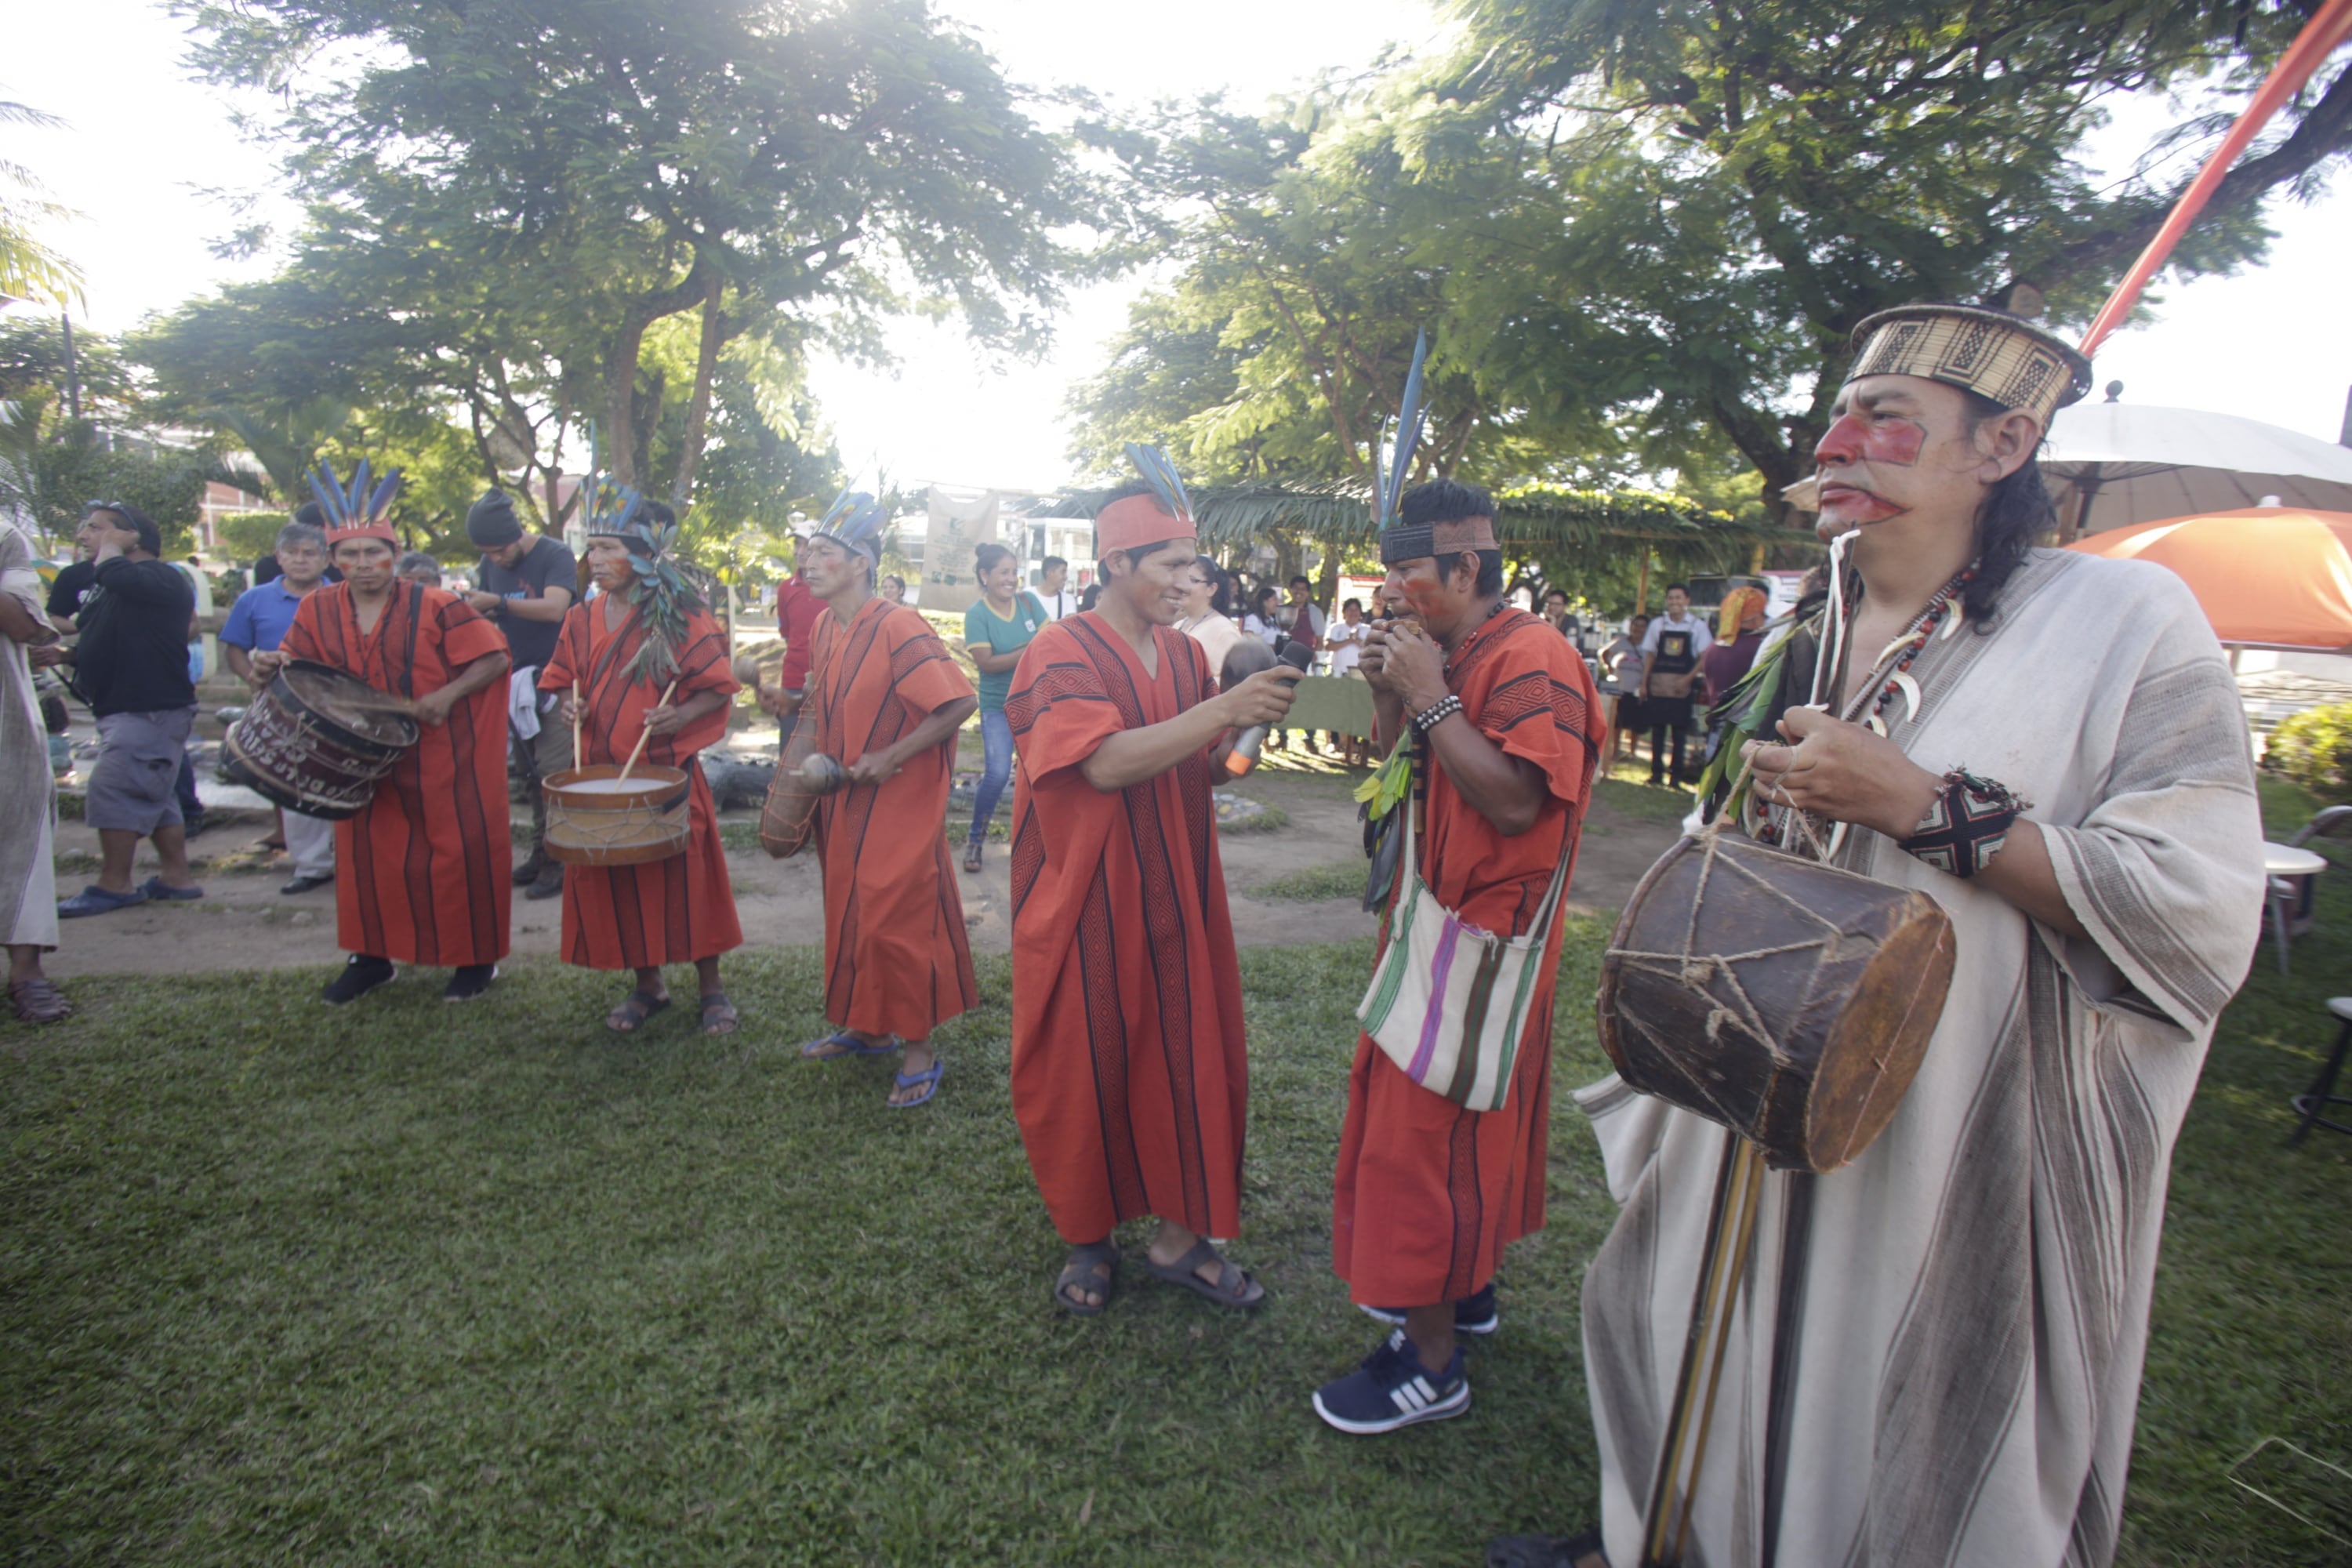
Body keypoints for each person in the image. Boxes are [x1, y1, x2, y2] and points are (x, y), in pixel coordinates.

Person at [1554, 304, 2265, 1568]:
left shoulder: (2128, 622)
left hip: (1952, 1135)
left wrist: (1923, 807)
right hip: (1757, 1083)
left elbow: (2200, 904)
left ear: (2003, 447)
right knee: (1693, 1352)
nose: (1838, 442)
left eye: (1887, 419)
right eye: (1836, 417)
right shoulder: (1805, 628)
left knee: (1895, 1412)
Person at [1314, 477, 1601, 1435]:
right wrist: (1389, 691)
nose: (1392, 589)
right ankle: (1463, 1289)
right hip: (1439, 918)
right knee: (1456, 1126)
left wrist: (1432, 696)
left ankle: (1431, 1362)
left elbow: (1519, 803)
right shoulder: (1455, 649)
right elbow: (1403, 770)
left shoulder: (1532, 655)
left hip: (1480, 937)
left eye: (1407, 572)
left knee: (1422, 1140)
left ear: (1466, 567)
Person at [1005, 456, 1303, 1317]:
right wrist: (1223, 707)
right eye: (1171, 563)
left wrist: (1242, 731)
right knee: (1086, 1068)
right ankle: (1088, 1236)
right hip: (1086, 902)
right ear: (1115, 566)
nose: (1192, 580)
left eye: (1196, 564)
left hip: (1178, 894)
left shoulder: (1180, 656)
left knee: (1185, 1060)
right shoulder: (1056, 650)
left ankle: (1179, 1237)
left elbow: (1200, 764)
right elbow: (1102, 764)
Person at [263, 464, 513, 1004]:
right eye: (349, 555)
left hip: (445, 755)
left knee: (457, 854)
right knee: (367, 860)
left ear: (393, 555)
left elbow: (493, 658)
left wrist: (445, 696)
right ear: (333, 560)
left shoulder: (438, 605)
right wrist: (271, 665)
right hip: (361, 759)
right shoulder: (317, 608)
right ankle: (370, 958)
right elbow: (299, 663)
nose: (362, 565)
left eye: (373, 552)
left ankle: (475, 961)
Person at [795, 492, 978, 1109]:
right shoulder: (825, 625)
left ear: (863, 563)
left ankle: (920, 1049)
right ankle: (868, 1029)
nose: (808, 562)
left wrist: (892, 756)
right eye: (808, 552)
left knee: (898, 921)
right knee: (852, 914)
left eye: (824, 553)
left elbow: (957, 703)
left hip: (897, 804)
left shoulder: (899, 624)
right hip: (844, 803)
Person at [542, 490, 744, 1035]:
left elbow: (718, 688)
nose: (595, 560)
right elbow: (563, 683)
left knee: (689, 879)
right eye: (592, 548)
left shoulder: (679, 613)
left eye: (608, 548)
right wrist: (570, 706)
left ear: (641, 555)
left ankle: (712, 990)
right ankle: (647, 985)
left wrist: (681, 717)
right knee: (619, 878)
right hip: (603, 773)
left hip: (666, 774)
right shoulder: (581, 618)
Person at [51, 503, 206, 920]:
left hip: (147, 709)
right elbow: (106, 634)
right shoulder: (120, 585)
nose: (83, 535)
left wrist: (112, 550)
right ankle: (177, 877)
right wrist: (64, 655)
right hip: (137, 709)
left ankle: (114, 885)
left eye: (95, 528)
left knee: (113, 790)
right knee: (159, 797)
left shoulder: (158, 577)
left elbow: (116, 574)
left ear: (129, 538)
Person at [466, 489, 578, 902]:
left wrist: (498, 602)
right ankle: (540, 851)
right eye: (487, 554)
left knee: (553, 774)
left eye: (499, 551)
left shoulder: (555, 555)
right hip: (516, 684)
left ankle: (559, 860)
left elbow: (555, 608)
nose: (495, 560)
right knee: (531, 776)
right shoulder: (488, 563)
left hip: (559, 681)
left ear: (516, 535)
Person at [219, 520, 338, 895]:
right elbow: (235, 648)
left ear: (325, 559)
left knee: (344, 780)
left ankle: (351, 860)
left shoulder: (343, 596)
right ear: (278, 557)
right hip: (279, 706)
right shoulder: (253, 599)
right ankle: (312, 865)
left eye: (309, 553)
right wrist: (252, 680)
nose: (300, 561)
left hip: (336, 704)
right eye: (292, 553)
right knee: (296, 782)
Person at [3, 514, 70, 1022]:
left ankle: (26, 974)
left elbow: (27, 624)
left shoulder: (4, 535)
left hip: (5, 728)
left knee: (21, 833)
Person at [960, 540, 1046, 873]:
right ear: (985, 575)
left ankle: (1036, 841)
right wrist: (1028, 648)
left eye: (1014, 572)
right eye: (1003, 572)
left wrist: (1032, 647)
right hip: (998, 706)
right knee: (996, 774)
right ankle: (975, 840)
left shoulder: (1029, 602)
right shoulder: (977, 615)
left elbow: (1049, 641)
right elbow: (988, 663)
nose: (1011, 579)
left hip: (1035, 702)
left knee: (1039, 774)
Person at [1637, 583, 1711, 786]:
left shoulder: (1697, 626)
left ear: (1687, 601)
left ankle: (1676, 777)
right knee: (1658, 732)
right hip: (1659, 684)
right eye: (1671, 598)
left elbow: (1705, 657)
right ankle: (1656, 774)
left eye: (1678, 598)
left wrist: (1687, 679)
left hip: (1682, 687)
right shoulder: (1657, 625)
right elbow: (1650, 655)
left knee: (1679, 733)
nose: (1674, 602)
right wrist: (1644, 682)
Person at [1696, 585, 1769, 764]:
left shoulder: (1713, 648)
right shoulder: (1760, 648)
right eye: (1762, 614)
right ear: (1753, 617)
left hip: (1717, 722)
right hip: (1744, 731)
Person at [757, 548, 822, 748]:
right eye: (797, 544)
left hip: (827, 679)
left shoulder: (833, 588)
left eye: (807, 545)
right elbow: (786, 633)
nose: (801, 551)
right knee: (790, 749)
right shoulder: (785, 588)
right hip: (794, 677)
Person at [1323, 597, 1374, 765]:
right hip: (1339, 673)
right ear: (1344, 612)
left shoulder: (1366, 629)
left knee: (1358, 709)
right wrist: (1349, 639)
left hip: (1360, 675)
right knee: (1337, 707)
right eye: (1349, 610)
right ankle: (1335, 739)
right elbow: (1329, 646)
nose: (1353, 613)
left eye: (1356, 610)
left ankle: (1357, 744)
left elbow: (1370, 649)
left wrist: (1357, 640)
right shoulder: (1336, 627)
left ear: (1360, 613)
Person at [1174, 557, 1244, 677]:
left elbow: (1231, 685)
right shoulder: (1178, 624)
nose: (1183, 586)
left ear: (1211, 589)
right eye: (1181, 578)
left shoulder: (1224, 631)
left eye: (1192, 580)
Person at [1036, 554, 1076, 620]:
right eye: (1063, 572)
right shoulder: (1029, 595)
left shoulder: (1068, 600)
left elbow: (1070, 627)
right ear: (1050, 573)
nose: (1066, 577)